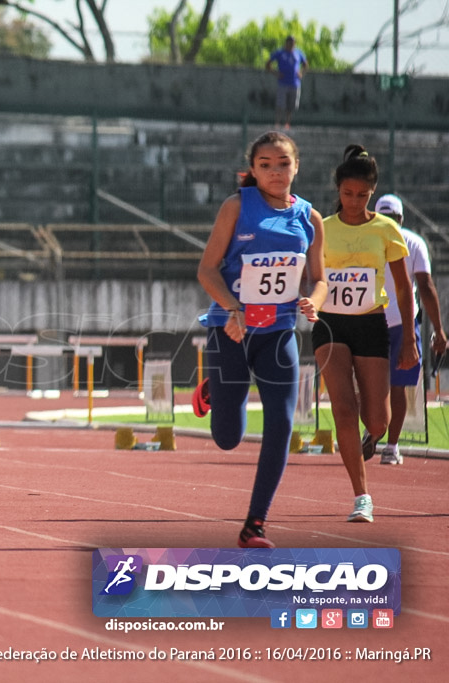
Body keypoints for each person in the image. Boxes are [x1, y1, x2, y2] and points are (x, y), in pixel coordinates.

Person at [194, 131, 326, 549]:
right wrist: (234, 308)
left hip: (279, 331)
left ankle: (255, 523)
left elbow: (319, 279)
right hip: (231, 328)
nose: (275, 171)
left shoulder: (310, 218)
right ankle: (214, 388)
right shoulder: (237, 206)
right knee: (228, 438)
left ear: (296, 167)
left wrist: (313, 302)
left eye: (283, 163)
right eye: (265, 164)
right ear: (253, 169)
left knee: (281, 424)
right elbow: (207, 270)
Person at [313, 145, 418, 523]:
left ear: (372, 192)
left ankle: (369, 421)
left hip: (372, 325)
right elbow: (312, 276)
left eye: (362, 195)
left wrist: (408, 339)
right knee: (342, 407)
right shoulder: (322, 228)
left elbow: (404, 289)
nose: (354, 202)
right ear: (337, 189)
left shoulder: (386, 230)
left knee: (378, 423)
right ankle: (362, 497)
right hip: (330, 325)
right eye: (347, 194)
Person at [373, 193, 447, 465]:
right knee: (399, 388)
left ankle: (373, 433)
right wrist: (438, 329)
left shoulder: (369, 238)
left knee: (368, 386)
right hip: (402, 324)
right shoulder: (414, 242)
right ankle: (391, 447)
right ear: (401, 217)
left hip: (370, 320)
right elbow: (425, 286)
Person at [266, 36, 308, 130]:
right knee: (280, 105)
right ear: (286, 43)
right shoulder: (280, 52)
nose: (291, 45)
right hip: (283, 83)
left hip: (294, 83)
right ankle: (277, 123)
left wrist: (301, 73)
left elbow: (305, 64)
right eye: (289, 43)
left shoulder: (298, 53)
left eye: (293, 43)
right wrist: (276, 73)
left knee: (291, 106)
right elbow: (268, 64)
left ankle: (287, 124)